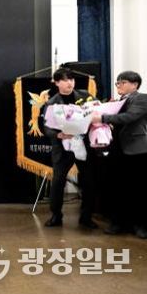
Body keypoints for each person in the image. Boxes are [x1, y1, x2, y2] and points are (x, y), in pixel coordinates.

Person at [91, 71, 147, 238]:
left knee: (138, 189)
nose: (119, 86)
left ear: (135, 84)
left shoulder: (142, 99)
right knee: (117, 187)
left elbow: (129, 117)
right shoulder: (117, 101)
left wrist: (103, 118)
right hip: (117, 149)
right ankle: (118, 223)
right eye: (117, 83)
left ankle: (140, 225)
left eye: (123, 82)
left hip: (136, 150)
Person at [41, 67, 98, 229]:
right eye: (65, 80)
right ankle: (56, 215)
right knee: (58, 181)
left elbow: (97, 110)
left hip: (84, 145)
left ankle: (86, 217)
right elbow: (46, 127)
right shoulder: (52, 102)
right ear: (57, 83)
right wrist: (58, 135)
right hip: (63, 147)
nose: (69, 83)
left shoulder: (85, 96)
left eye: (71, 79)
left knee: (88, 180)